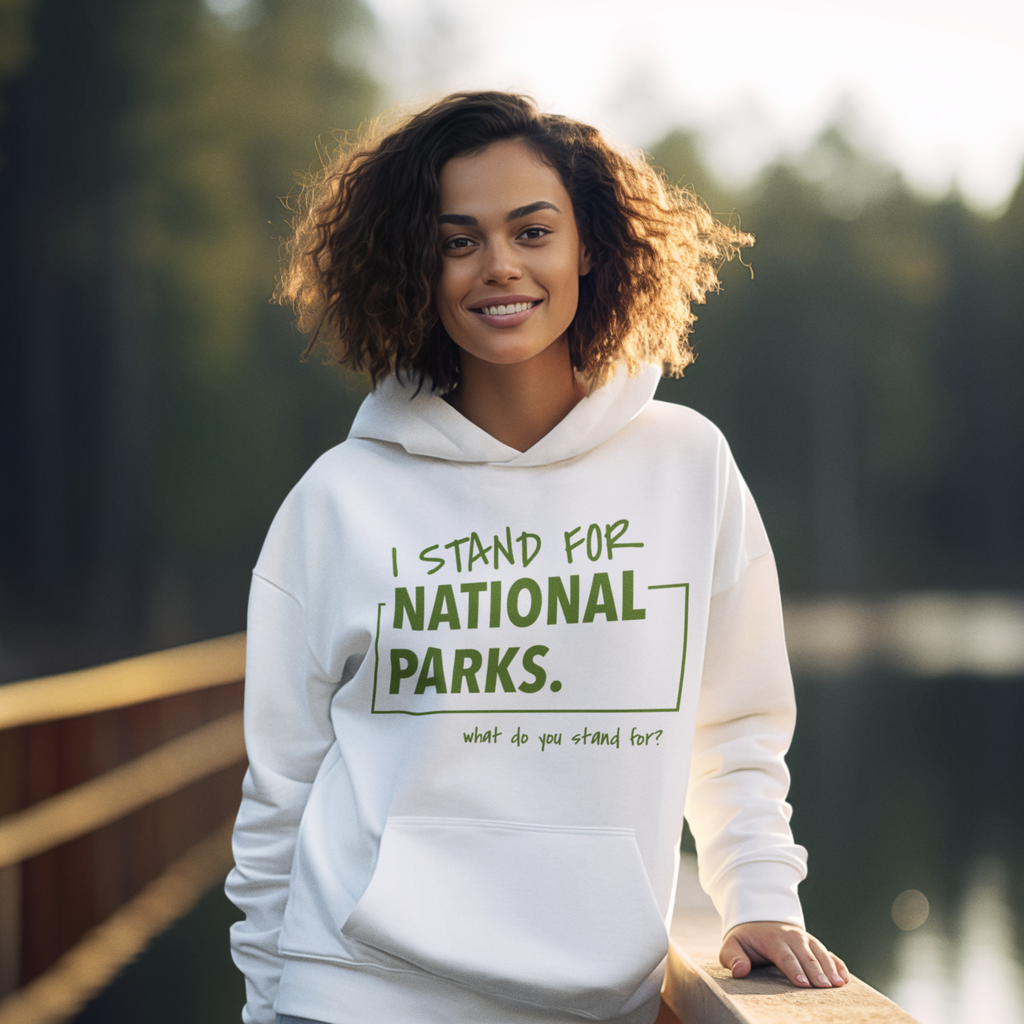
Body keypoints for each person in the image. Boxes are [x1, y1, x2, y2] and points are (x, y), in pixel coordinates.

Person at [226, 91, 849, 1024]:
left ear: (588, 247)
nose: (499, 266)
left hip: (598, 1000)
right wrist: (266, 1004)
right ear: (417, 266)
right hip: (358, 993)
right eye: (458, 239)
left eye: (531, 230)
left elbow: (737, 728)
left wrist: (760, 898)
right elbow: (280, 790)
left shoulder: (686, 464)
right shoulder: (339, 499)